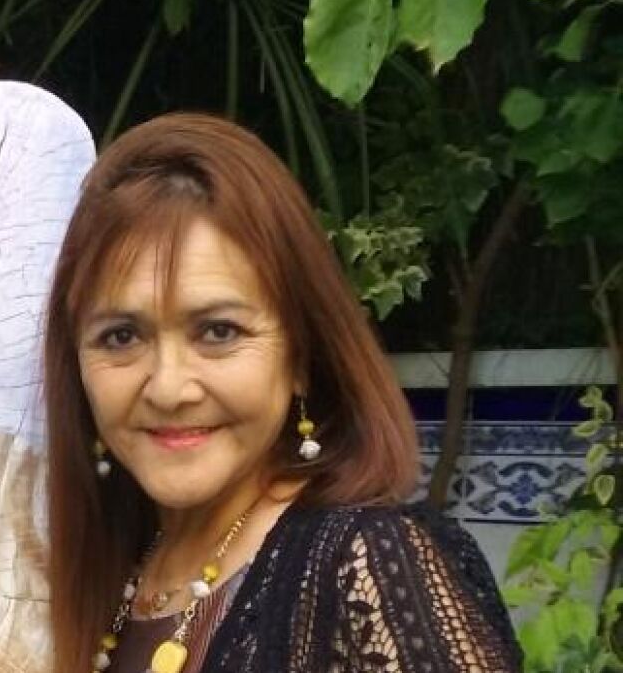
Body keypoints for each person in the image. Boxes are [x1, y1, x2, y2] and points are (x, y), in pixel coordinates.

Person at [42, 113, 521, 673]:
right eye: (121, 337)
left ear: (300, 356)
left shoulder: (367, 567)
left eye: (218, 331)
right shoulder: (113, 575)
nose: (169, 388)